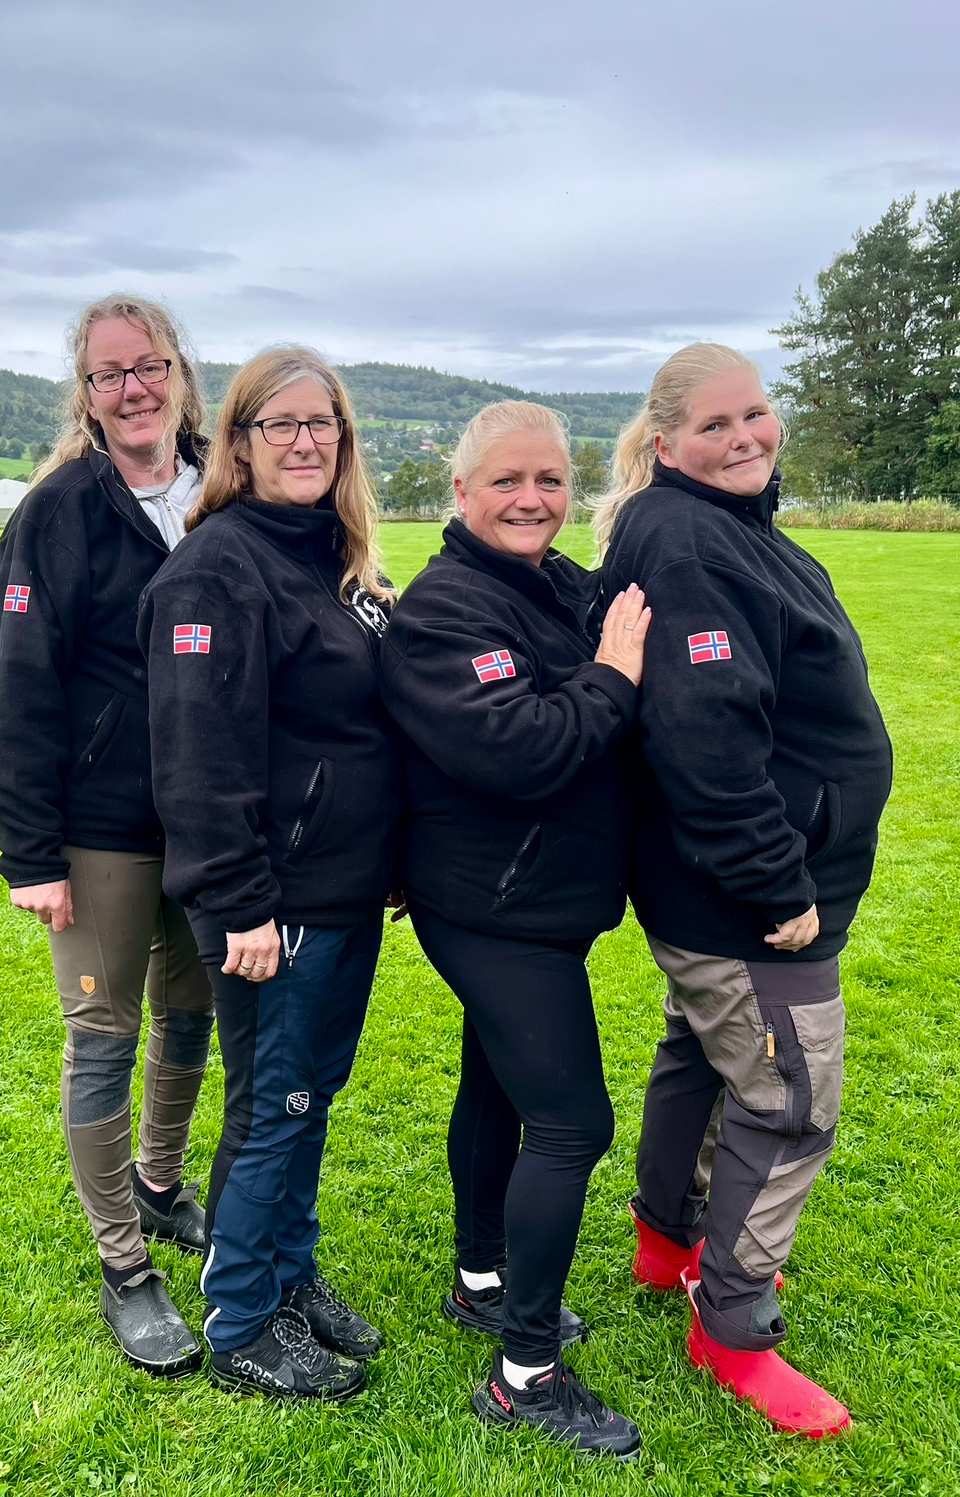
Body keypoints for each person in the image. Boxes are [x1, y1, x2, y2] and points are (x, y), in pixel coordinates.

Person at [596, 344, 892, 1437]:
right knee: (789, 1096)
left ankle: (669, 1239)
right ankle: (732, 1325)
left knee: (700, 1051)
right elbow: (704, 737)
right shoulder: (688, 543)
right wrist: (777, 881)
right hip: (748, 894)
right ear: (666, 443)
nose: (745, 438)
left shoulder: (727, 526)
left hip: (718, 887)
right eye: (715, 425)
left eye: (754, 414)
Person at [379, 400, 650, 1461]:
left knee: (496, 1085)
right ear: (461, 492)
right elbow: (524, 749)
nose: (532, 499)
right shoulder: (448, 610)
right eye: (507, 480)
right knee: (574, 1124)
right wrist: (613, 677)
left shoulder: (552, 584)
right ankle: (524, 1375)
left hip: (537, 897)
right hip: (493, 906)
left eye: (550, 480)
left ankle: (482, 1277)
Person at [138, 347, 399, 1404]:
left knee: (308, 1095)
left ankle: (289, 1274)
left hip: (342, 890)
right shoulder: (216, 570)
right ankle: (243, 1319)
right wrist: (239, 900)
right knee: (272, 1104)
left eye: (321, 422)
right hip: (269, 902)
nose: (304, 441)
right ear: (238, 443)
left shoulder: (334, 559)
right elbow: (196, 756)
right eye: (278, 423)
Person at [0, 294, 216, 1378]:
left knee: (192, 1013)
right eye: (109, 373)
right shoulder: (58, 511)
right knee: (104, 1036)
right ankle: (126, 1264)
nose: (133, 388)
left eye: (149, 365)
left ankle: (161, 1186)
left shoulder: (223, 486)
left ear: (180, 373)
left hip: (208, 821)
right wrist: (31, 854)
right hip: (99, 828)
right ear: (85, 393)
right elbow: (19, 686)